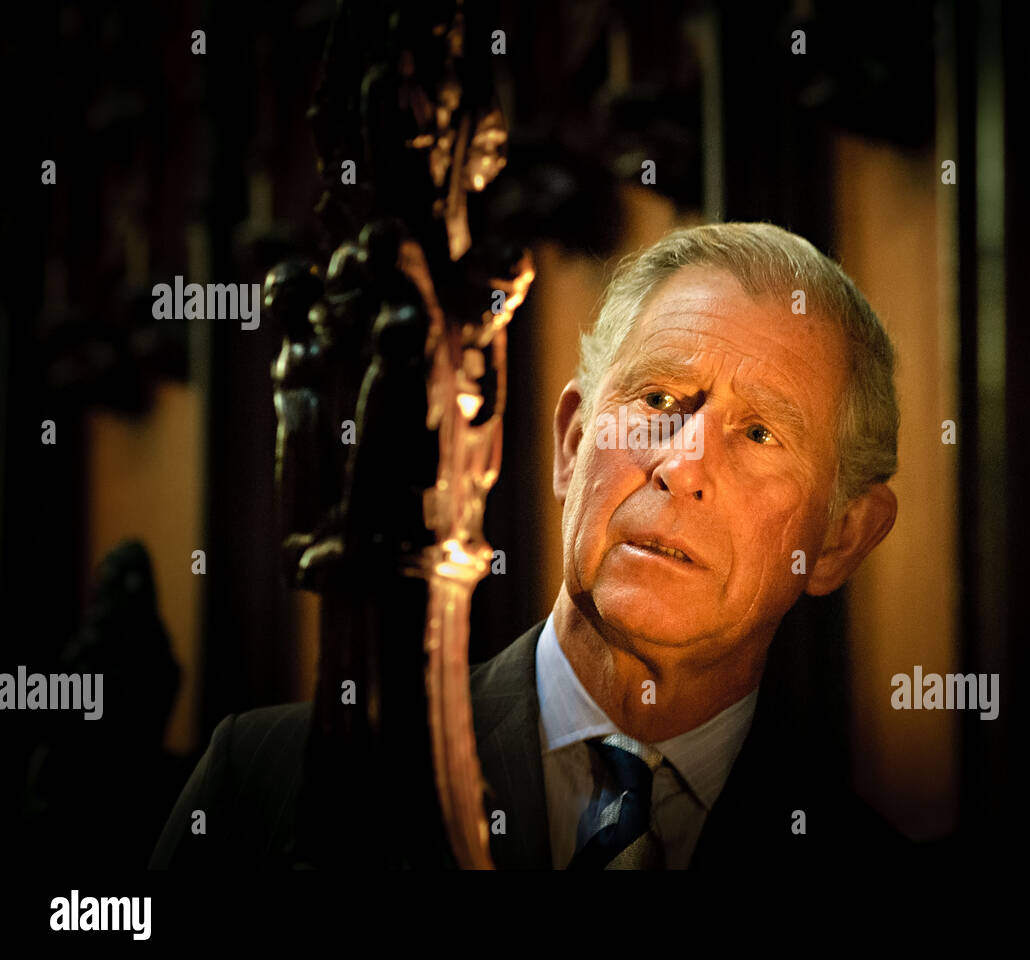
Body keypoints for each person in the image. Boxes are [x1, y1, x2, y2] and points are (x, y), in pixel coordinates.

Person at [150, 221, 905, 870]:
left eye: (761, 434)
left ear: (841, 539)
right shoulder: (261, 784)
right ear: (573, 443)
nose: (681, 465)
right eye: (657, 400)